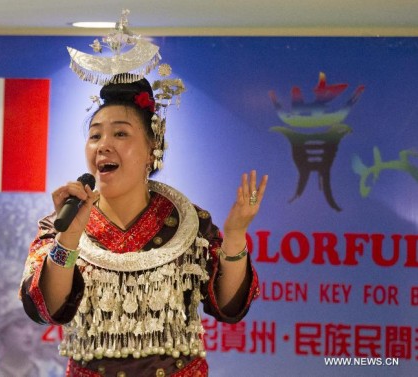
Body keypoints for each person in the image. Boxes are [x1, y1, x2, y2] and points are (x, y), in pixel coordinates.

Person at [19, 11, 267, 377]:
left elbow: (229, 307)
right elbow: (47, 309)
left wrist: (233, 237)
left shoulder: (188, 223)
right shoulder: (61, 222)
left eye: (120, 134)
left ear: (153, 148)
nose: (103, 145)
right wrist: (67, 240)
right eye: (95, 135)